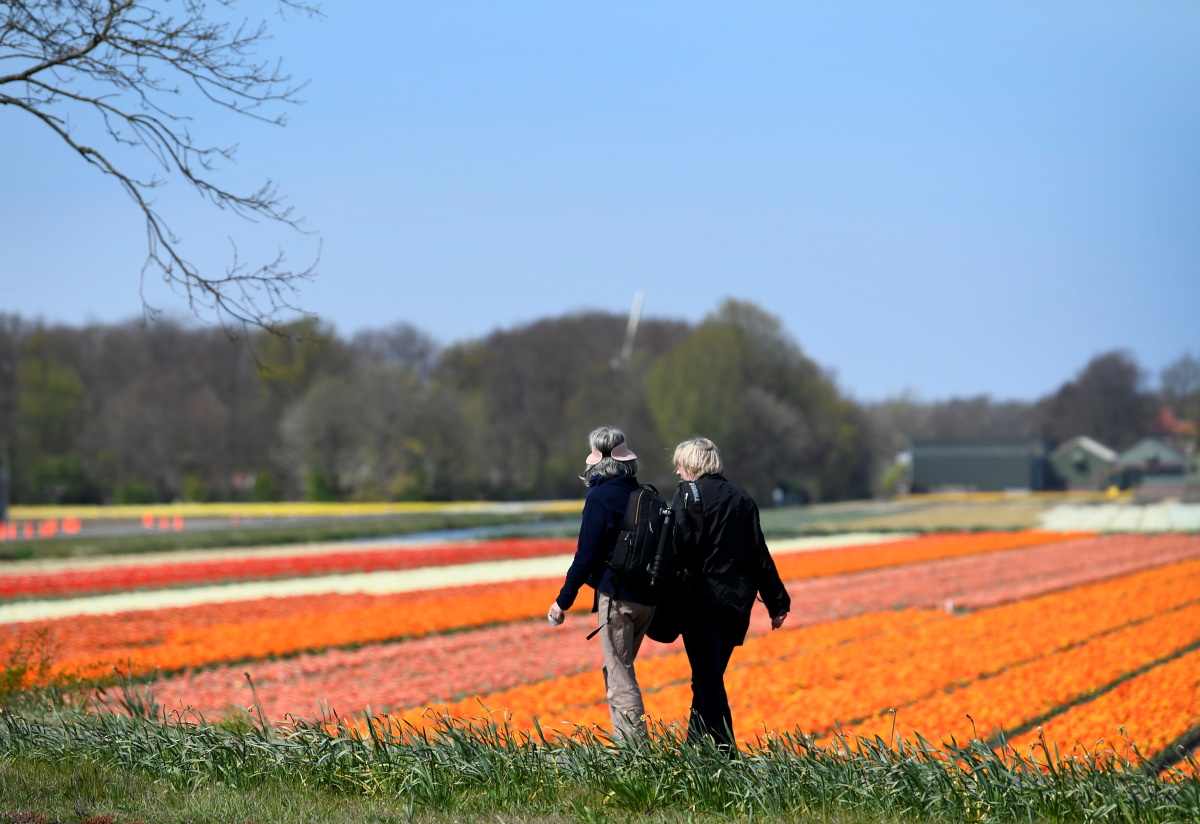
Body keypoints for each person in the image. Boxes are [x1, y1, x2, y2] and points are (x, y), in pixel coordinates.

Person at [669, 436, 790, 753]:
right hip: (736, 606)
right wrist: (777, 602)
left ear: (692, 465)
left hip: (700, 603)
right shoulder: (742, 498)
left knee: (708, 680)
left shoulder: (687, 496)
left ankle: (727, 754)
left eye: (679, 466)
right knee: (707, 677)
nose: (678, 474)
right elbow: (759, 554)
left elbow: (674, 549)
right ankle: (694, 752)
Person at [547, 426, 658, 741]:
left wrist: (562, 602)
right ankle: (628, 748)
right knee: (616, 670)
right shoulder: (643, 494)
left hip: (618, 598)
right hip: (646, 600)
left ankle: (636, 760)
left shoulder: (599, 498)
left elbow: (586, 557)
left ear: (595, 462)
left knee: (620, 676)